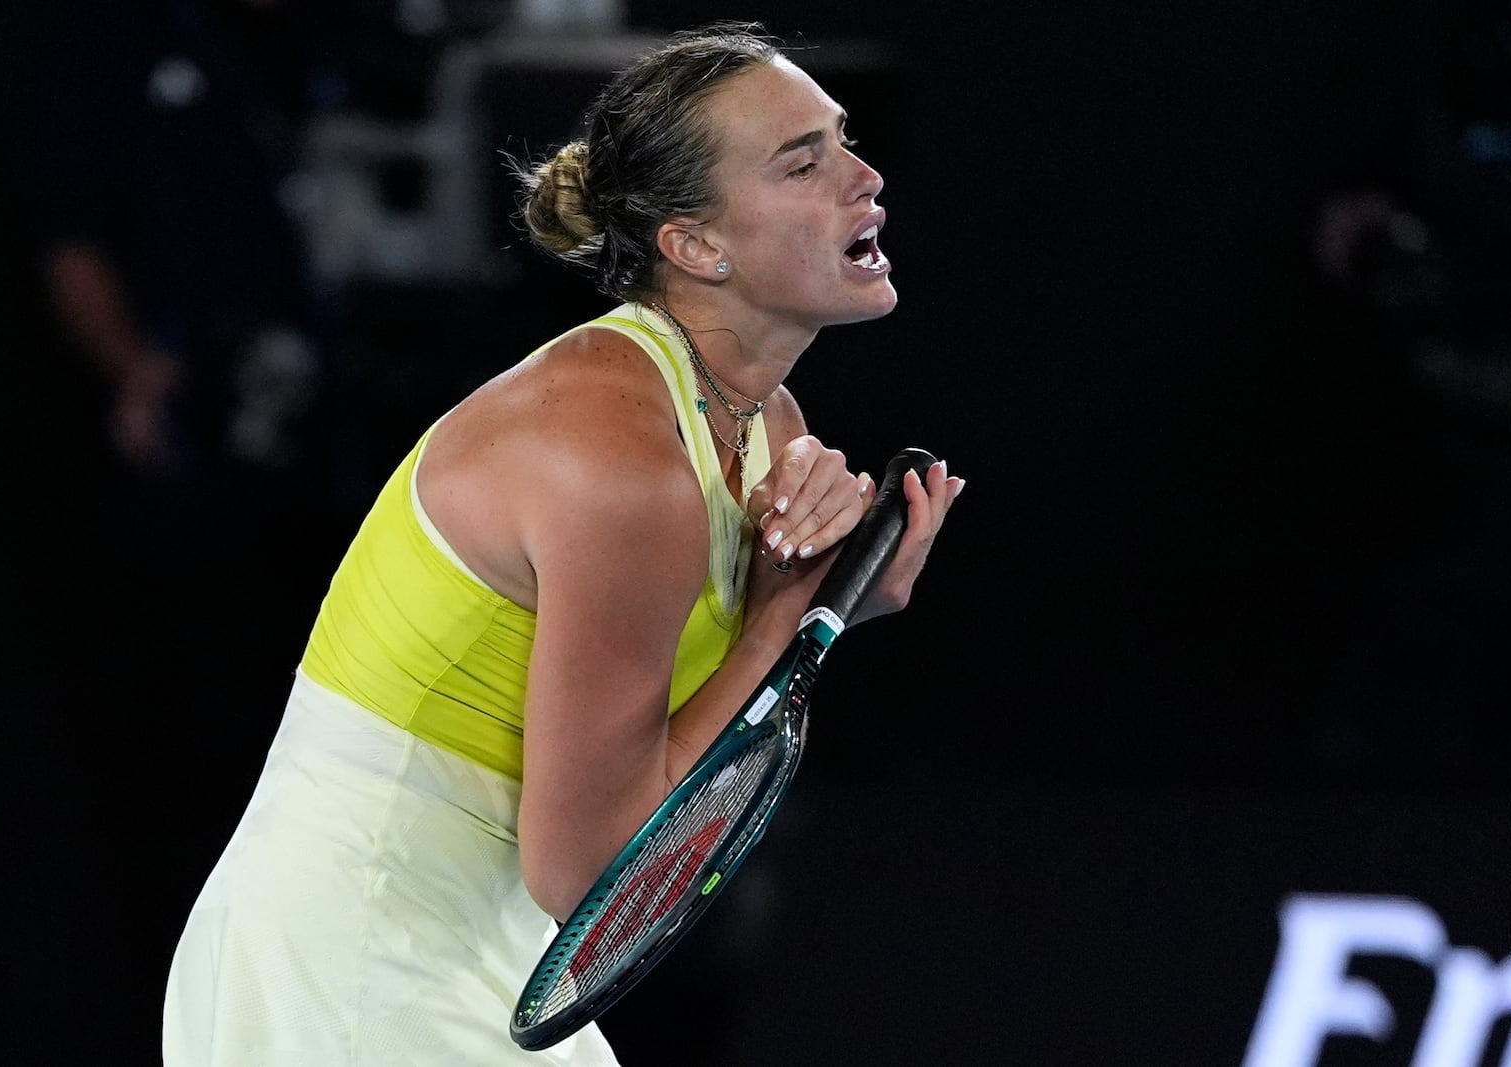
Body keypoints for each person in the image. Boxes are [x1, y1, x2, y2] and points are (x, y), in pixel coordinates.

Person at [163, 20, 964, 1065]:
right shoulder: (614, 456)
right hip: (350, 958)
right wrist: (794, 615)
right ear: (694, 243)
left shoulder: (767, 425)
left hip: (490, 946)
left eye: (844, 141)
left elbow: (663, 745)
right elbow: (595, 872)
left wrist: (814, 599)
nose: (864, 177)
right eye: (801, 162)